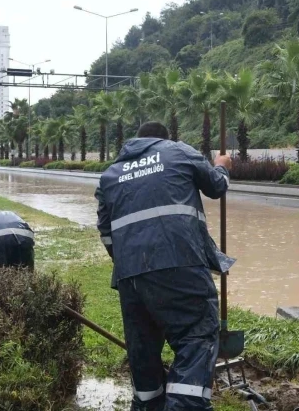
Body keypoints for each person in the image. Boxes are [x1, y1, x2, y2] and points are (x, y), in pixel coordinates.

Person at [95, 121, 233, 411]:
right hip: (179, 262)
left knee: (143, 350)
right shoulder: (177, 151)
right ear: (163, 139)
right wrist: (221, 165)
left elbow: (107, 234)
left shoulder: (110, 175)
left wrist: (134, 263)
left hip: (129, 275)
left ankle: (148, 405)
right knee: (196, 336)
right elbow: (216, 187)